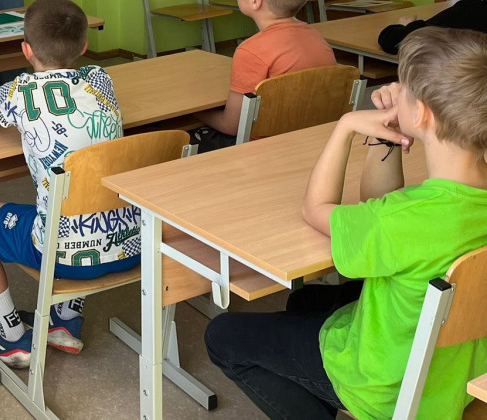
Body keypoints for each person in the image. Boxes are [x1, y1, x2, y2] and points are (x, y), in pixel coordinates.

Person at [205, 27, 487, 419]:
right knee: (305, 301)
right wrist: (388, 134)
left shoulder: (399, 220)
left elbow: (316, 209)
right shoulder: (413, 213)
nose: (394, 91)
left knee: (222, 335)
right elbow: (376, 206)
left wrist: (346, 126)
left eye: (403, 87)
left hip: (382, 385)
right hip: (456, 377)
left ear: (422, 112)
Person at [0, 0, 134, 369]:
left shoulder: (19, 92)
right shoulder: (101, 80)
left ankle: (10, 337)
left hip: (62, 255)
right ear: (84, 46)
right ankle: (65, 321)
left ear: (26, 50)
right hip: (128, 242)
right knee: (85, 198)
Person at [192, 0, 335, 151]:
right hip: (314, 140)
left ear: (255, 1)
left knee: (185, 135)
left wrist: (195, 113)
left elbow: (232, 126)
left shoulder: (250, 51)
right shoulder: (317, 38)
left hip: (264, 149)